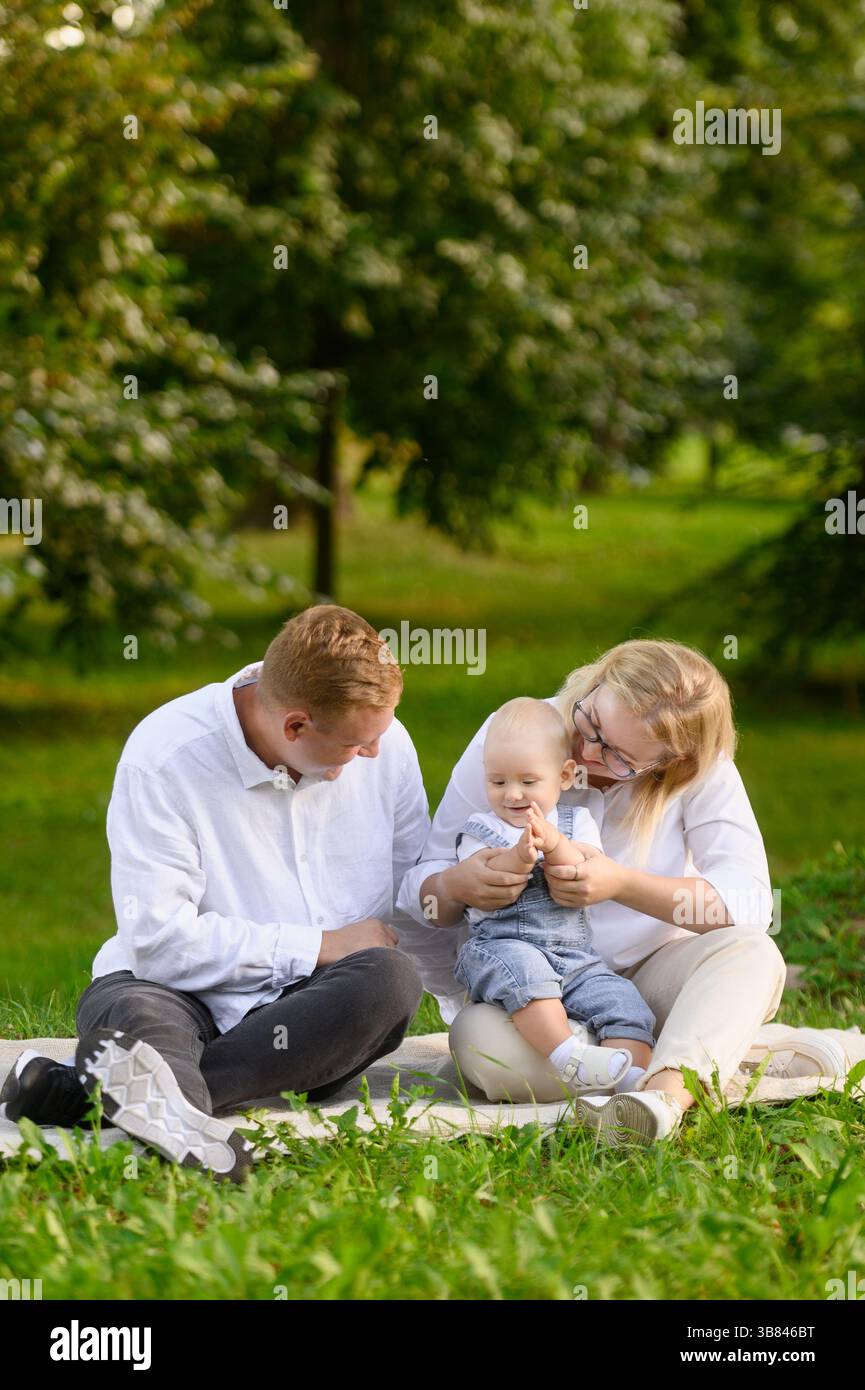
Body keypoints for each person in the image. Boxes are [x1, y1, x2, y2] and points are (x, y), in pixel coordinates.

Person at [1, 605, 431, 1181]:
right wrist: (319, 944)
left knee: (391, 982)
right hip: (168, 990)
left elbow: (412, 890)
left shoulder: (385, 742)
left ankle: (108, 1094)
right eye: (356, 746)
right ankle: (163, 1098)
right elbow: (158, 944)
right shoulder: (166, 755)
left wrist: (474, 1009)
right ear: (295, 726)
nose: (376, 753)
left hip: (305, 1009)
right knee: (140, 1015)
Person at [397, 639, 851, 1146]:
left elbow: (749, 903)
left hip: (649, 978)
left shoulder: (702, 768)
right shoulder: (520, 732)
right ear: (595, 683)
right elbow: (423, 887)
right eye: (590, 723)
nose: (586, 752)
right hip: (533, 994)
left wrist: (623, 884)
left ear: (670, 763)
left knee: (753, 954)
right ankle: (700, 1048)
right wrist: (458, 885)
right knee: (482, 1050)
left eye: (616, 756)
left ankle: (660, 1099)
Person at [452, 697, 655, 1095]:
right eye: (498, 781)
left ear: (564, 775)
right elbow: (486, 876)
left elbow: (583, 865)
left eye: (528, 782)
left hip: (574, 954)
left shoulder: (575, 822)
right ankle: (567, 1056)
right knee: (530, 979)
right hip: (502, 947)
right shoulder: (478, 828)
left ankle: (629, 1081)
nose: (512, 794)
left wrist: (555, 844)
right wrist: (518, 856)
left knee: (622, 1000)